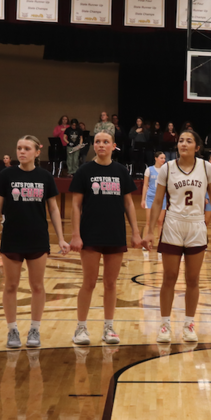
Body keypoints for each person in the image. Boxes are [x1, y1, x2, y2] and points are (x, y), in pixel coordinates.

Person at [145, 131, 211, 344]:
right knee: (169, 277)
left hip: (196, 226)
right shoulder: (167, 168)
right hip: (173, 225)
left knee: (193, 280)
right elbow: (157, 201)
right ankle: (165, 324)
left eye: (189, 140)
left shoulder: (205, 168)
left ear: (197, 147)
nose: (184, 144)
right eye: (181, 140)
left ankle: (189, 323)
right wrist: (149, 230)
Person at [0, 136, 68, 349]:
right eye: (19, 148)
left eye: (26, 148)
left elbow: (53, 208)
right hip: (12, 238)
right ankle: (12, 329)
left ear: (36, 152)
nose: (22, 152)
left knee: (37, 285)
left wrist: (60, 238)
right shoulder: (6, 175)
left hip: (37, 239)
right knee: (11, 285)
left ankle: (35, 328)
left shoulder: (45, 176)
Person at [68, 130, 143, 346]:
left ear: (113, 146)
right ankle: (81, 328)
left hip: (115, 233)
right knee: (89, 283)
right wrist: (75, 234)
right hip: (90, 234)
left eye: (106, 142)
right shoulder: (84, 171)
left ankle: (108, 327)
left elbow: (129, 204)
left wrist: (135, 232)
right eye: (98, 142)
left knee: (110, 283)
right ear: (94, 145)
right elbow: (75, 205)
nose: (101, 145)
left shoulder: (121, 171)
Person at [141, 151, 168, 243]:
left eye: (164, 158)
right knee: (149, 222)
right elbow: (145, 185)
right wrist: (143, 199)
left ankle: (161, 243)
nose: (163, 160)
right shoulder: (149, 170)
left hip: (162, 198)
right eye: (161, 158)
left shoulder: (166, 170)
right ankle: (146, 241)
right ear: (156, 158)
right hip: (150, 197)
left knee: (160, 221)